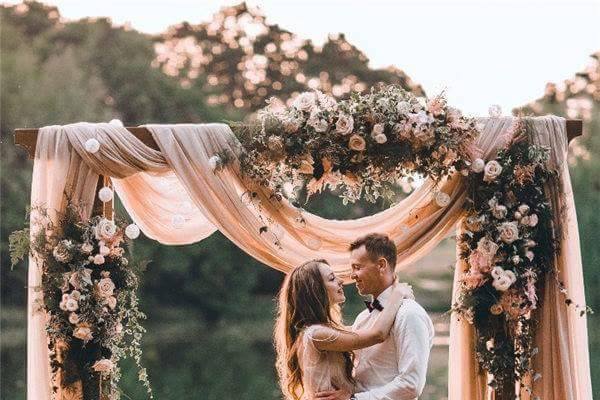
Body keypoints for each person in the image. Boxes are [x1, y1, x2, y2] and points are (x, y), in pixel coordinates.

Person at [315, 233, 435, 400]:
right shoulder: (362, 318)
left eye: (357, 267)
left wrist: (354, 399)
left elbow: (411, 384)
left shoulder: (409, 314)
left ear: (381, 265)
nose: (352, 275)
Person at [274, 258, 413, 400]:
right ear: (317, 291)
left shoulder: (321, 331)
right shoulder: (316, 334)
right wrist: (397, 294)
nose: (341, 281)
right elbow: (377, 334)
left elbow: (366, 329)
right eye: (332, 278)